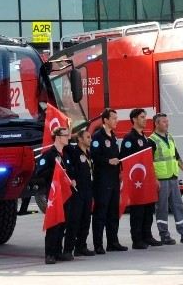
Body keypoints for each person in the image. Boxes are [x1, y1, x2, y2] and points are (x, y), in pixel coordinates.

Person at [149, 112, 183, 244]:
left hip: (173, 177)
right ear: (156, 123)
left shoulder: (170, 137)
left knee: (178, 206)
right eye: (164, 122)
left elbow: (175, 156)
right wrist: (154, 179)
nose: (167, 124)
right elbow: (149, 162)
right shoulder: (151, 140)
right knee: (162, 208)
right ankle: (164, 235)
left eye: (167, 121)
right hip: (161, 179)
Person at [35, 126, 77, 264]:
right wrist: (55, 169)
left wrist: (73, 179)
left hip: (66, 194)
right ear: (58, 137)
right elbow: (39, 174)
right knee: (54, 223)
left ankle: (58, 251)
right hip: (54, 195)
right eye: (66, 135)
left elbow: (70, 171)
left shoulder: (66, 154)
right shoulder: (48, 155)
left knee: (63, 223)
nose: (68, 138)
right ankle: (50, 253)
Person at [121, 108, 159, 249]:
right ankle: (137, 240)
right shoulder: (129, 139)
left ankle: (147, 236)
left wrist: (154, 178)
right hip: (136, 181)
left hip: (147, 181)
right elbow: (125, 160)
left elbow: (149, 161)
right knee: (138, 210)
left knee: (149, 209)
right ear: (134, 119)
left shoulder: (145, 138)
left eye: (145, 117)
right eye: (142, 117)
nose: (145, 119)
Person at [91, 108, 126, 253]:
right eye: (113, 118)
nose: (116, 121)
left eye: (116, 118)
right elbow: (93, 156)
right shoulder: (98, 137)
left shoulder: (113, 136)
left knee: (113, 212)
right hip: (102, 180)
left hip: (114, 180)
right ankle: (98, 244)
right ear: (105, 120)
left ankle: (113, 242)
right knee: (101, 212)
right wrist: (107, 161)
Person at [65, 124, 95, 258]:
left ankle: (81, 246)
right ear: (80, 139)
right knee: (74, 221)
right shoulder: (74, 151)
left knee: (86, 220)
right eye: (88, 137)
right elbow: (64, 146)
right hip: (77, 191)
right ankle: (68, 249)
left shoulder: (89, 152)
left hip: (88, 190)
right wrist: (70, 134)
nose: (90, 139)